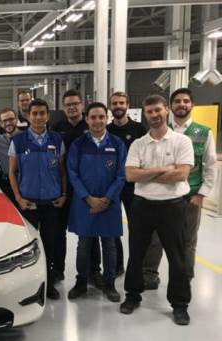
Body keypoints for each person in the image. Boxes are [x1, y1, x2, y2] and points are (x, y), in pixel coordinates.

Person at [120, 94, 194, 326]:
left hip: (173, 206)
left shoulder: (182, 141)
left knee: (177, 257)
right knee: (136, 254)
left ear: (166, 110)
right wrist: (163, 169)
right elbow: (130, 175)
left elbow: (181, 174)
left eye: (157, 110)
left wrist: (146, 173)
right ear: (145, 114)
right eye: (149, 111)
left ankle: (180, 304)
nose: (154, 115)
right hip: (142, 205)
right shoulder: (138, 144)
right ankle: (132, 295)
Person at [142, 88, 217, 289]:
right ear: (170, 107)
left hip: (190, 197)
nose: (181, 104)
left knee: (187, 241)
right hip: (162, 196)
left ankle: (184, 279)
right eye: (177, 101)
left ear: (192, 104)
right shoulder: (159, 130)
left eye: (185, 101)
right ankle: (149, 275)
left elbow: (210, 166)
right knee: (155, 238)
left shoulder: (204, 132)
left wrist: (201, 194)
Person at [67, 103, 127, 302]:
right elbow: (72, 174)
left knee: (109, 244)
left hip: (109, 203)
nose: (97, 121)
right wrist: (88, 198)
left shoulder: (117, 144)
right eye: (93, 117)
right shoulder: (78, 145)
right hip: (85, 203)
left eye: (101, 117)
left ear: (107, 118)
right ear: (87, 119)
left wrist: (107, 198)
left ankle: (109, 284)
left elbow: (121, 175)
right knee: (84, 244)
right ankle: (81, 282)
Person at [8, 99, 67, 300]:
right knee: (28, 246)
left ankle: (48, 283)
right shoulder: (18, 141)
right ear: (28, 116)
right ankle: (28, 284)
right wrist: (18, 198)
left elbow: (62, 171)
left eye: (42, 113)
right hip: (28, 203)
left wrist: (64, 195)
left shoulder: (57, 140)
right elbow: (12, 172)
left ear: (48, 116)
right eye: (34, 113)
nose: (38, 117)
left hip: (51, 203)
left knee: (50, 245)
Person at [52, 89, 101, 286]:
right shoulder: (56, 128)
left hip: (87, 188)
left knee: (90, 232)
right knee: (58, 231)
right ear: (63, 108)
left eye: (75, 104)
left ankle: (94, 272)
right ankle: (58, 270)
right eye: (68, 105)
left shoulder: (91, 126)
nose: (72, 107)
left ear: (82, 105)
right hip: (63, 187)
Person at [106, 91, 147, 277]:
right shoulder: (107, 130)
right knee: (113, 229)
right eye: (115, 103)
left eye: (121, 103)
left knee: (137, 229)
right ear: (111, 107)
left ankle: (137, 266)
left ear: (128, 105)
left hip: (134, 188)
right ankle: (117, 265)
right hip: (113, 187)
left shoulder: (139, 129)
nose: (118, 106)